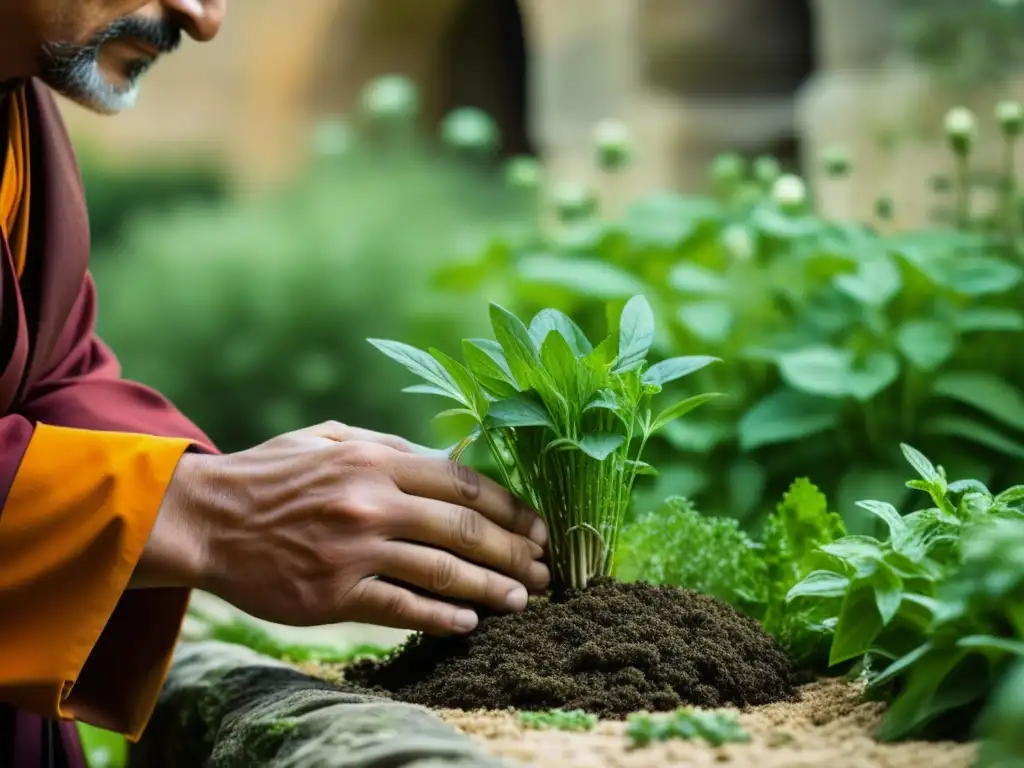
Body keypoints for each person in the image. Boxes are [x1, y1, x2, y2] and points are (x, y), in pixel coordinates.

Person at [0, 2, 551, 766]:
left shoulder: (18, 109)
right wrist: (196, 516)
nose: (201, 17)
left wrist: (240, 493)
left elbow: (54, 371)